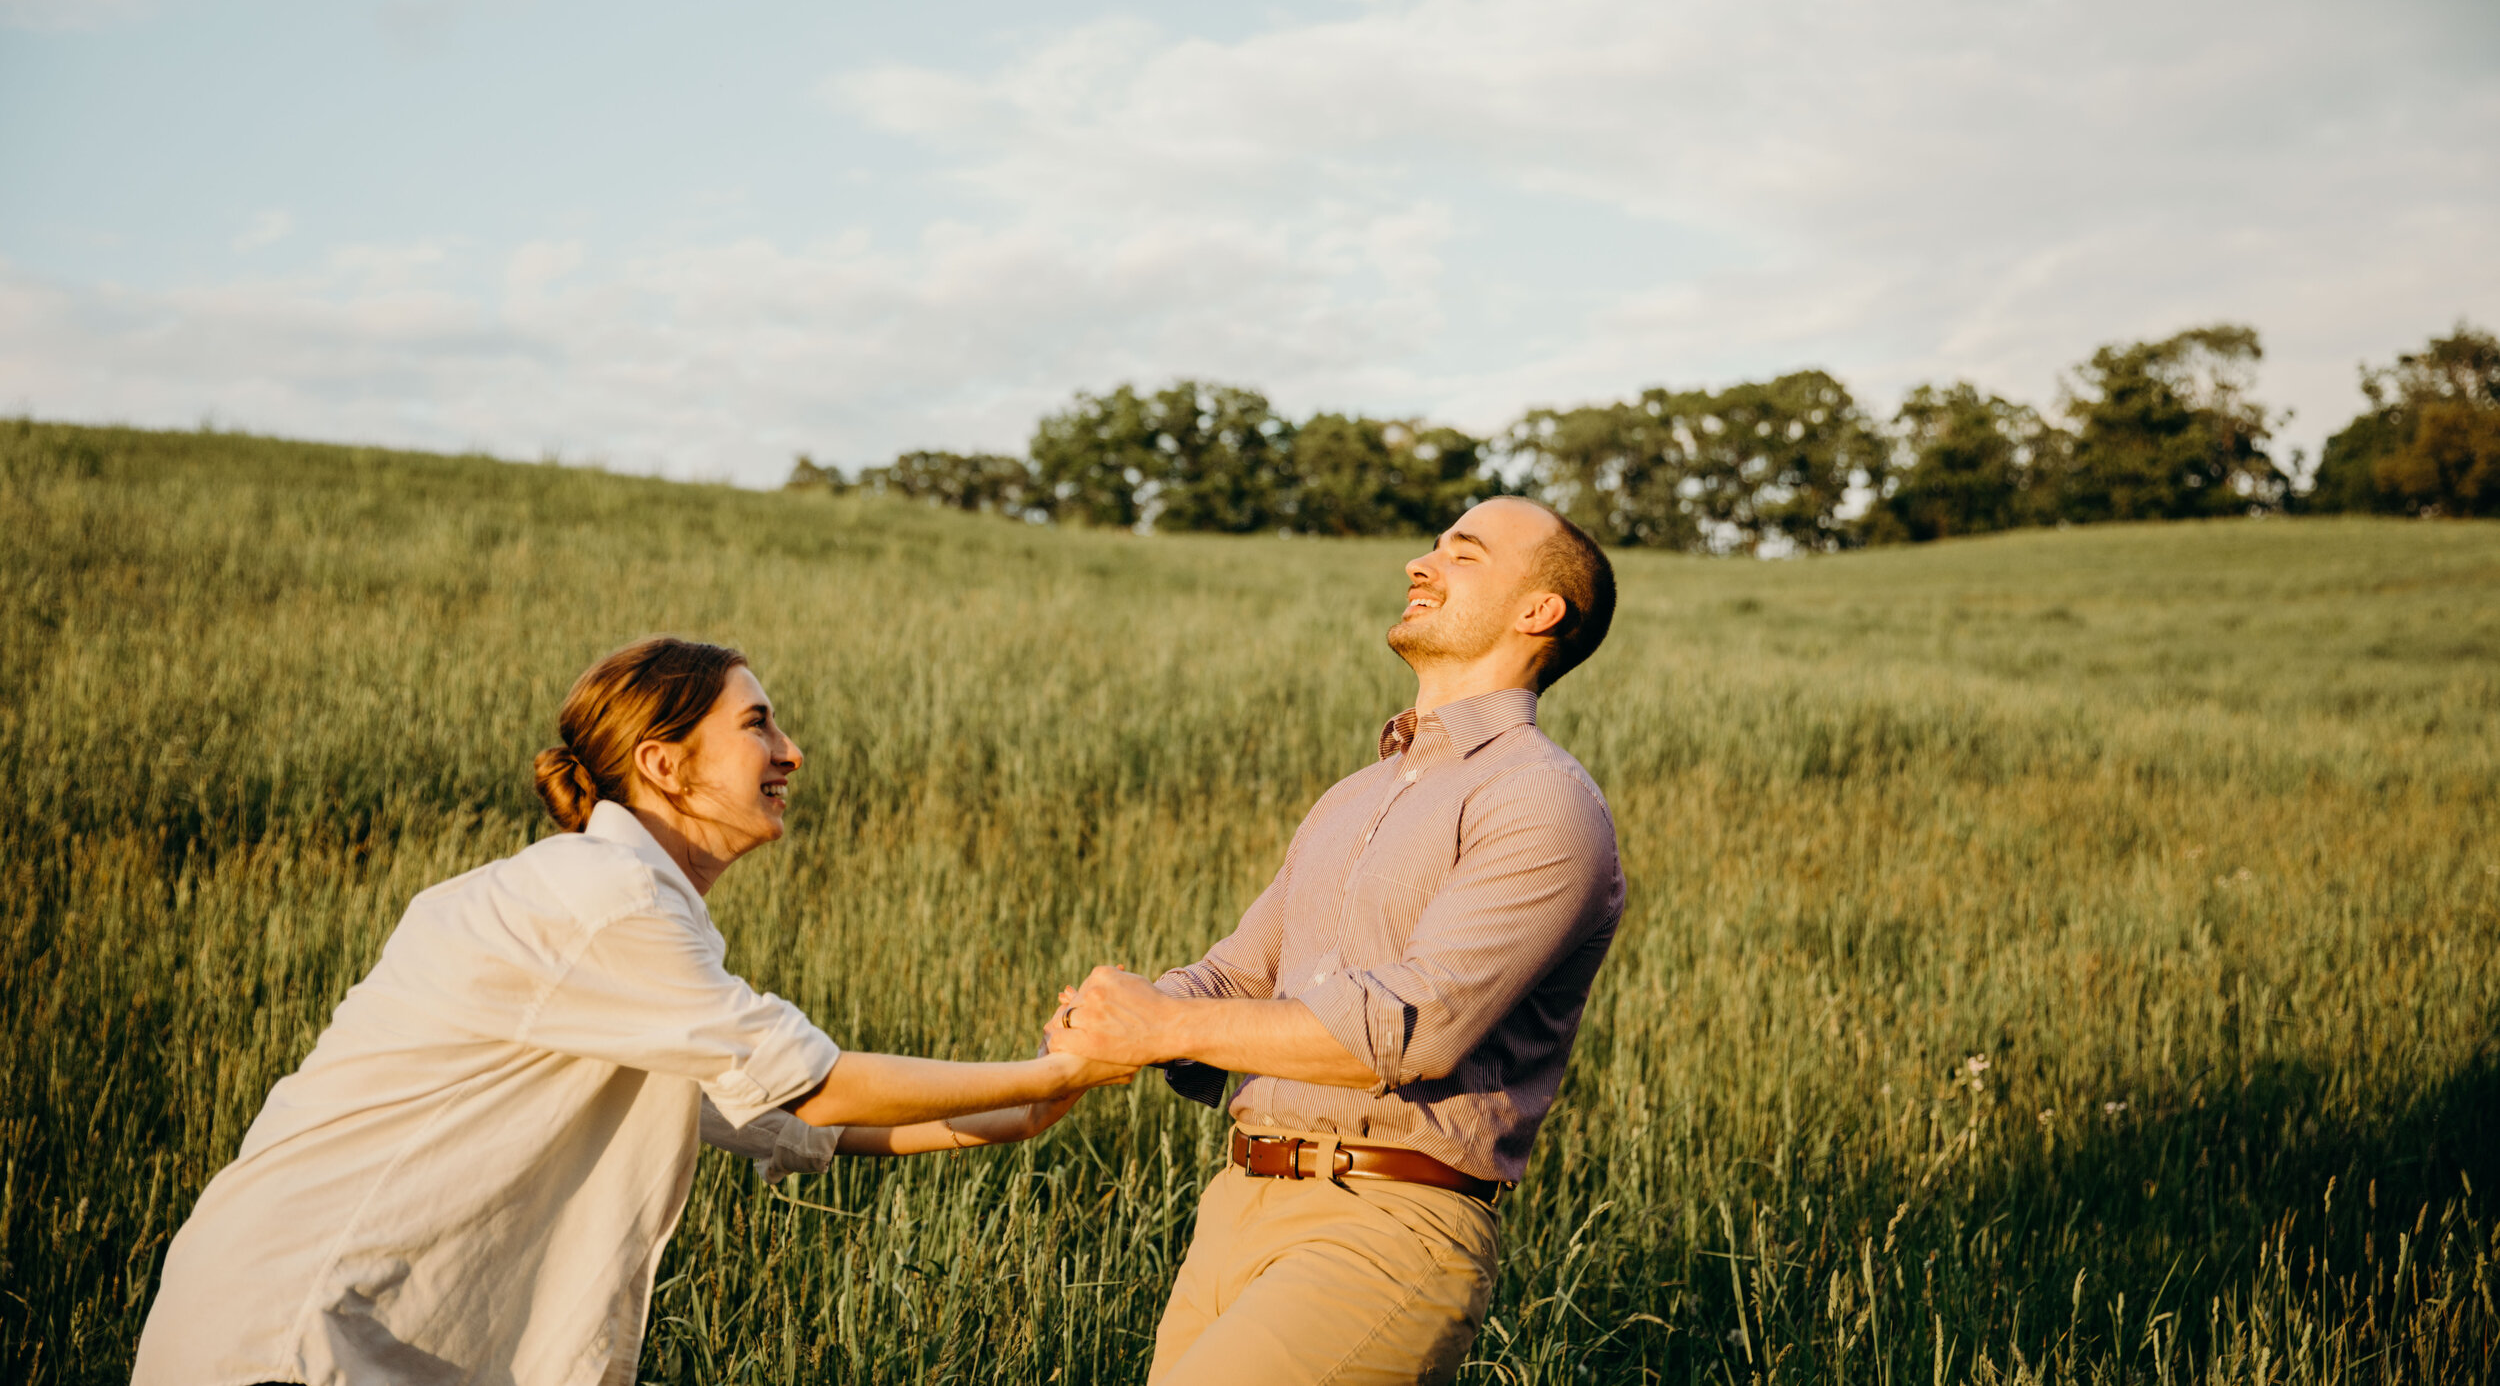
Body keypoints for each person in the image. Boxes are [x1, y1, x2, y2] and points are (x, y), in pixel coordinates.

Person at [134, 636, 1128, 1386]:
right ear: (663, 761)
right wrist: (1052, 1070)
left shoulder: (630, 916)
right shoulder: (598, 897)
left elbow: (787, 1122)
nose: (792, 750)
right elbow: (813, 1085)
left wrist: (1029, 1104)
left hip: (337, 1331)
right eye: (757, 724)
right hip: (295, 1334)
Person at [1050, 495, 1623, 1386]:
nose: (1419, 564)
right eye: (1432, 545)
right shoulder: (1354, 795)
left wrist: (1162, 1029)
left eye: (1462, 554)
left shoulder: (1542, 801)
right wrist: (1118, 1017)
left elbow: (1412, 1027)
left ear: (1537, 610)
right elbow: (1239, 971)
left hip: (1388, 1225)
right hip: (1235, 1207)